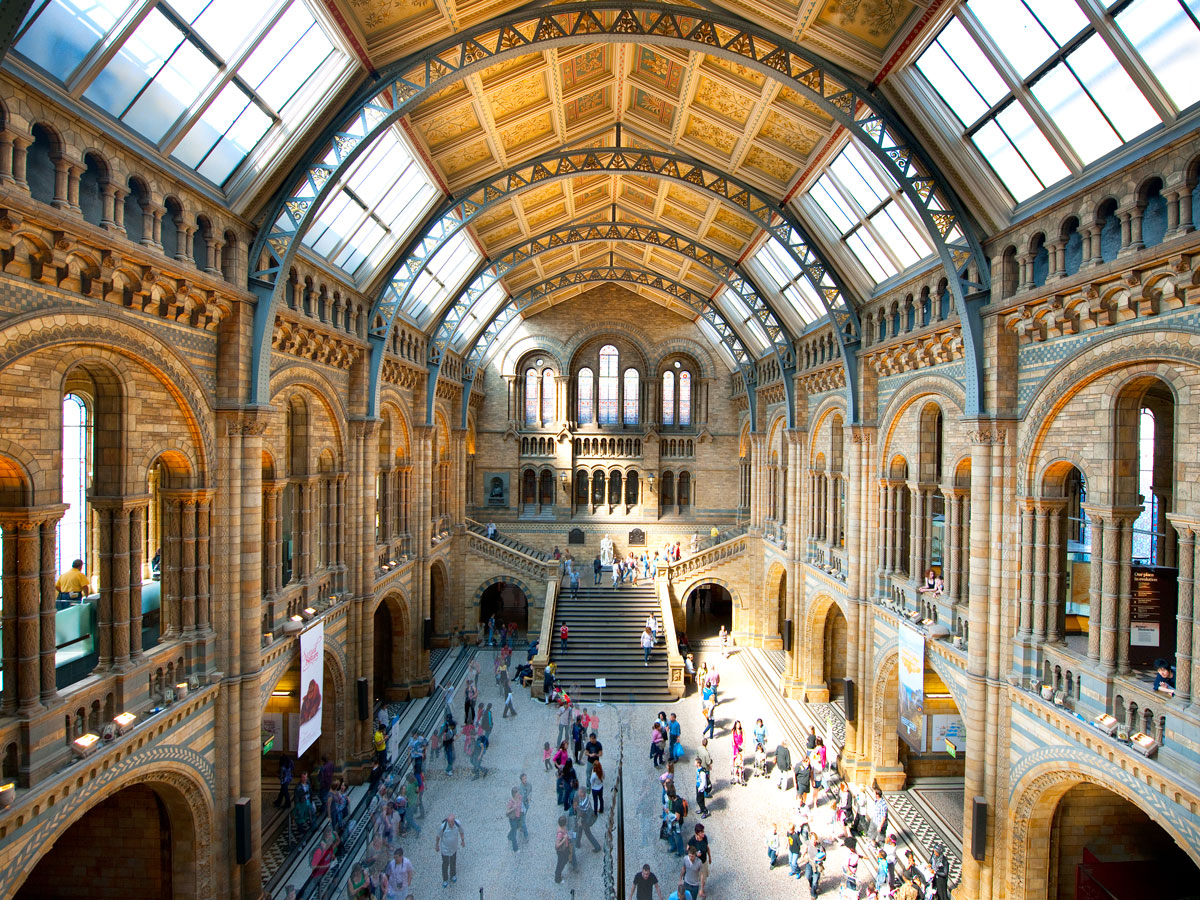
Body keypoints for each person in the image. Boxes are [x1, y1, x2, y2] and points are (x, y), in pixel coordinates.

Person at [435, 814, 465, 887]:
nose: (450, 824)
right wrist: (437, 845)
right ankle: (445, 879)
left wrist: (462, 840)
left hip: (453, 848)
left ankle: (453, 875)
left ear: (454, 821)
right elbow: (438, 836)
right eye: (449, 822)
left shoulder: (457, 824)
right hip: (445, 849)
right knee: (445, 864)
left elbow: (461, 831)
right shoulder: (443, 826)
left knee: (453, 862)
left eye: (451, 822)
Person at [804, 832, 826, 897]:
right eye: (812, 840)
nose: (813, 841)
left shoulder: (819, 847)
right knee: (808, 876)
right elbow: (805, 851)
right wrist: (804, 855)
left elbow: (824, 856)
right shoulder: (808, 843)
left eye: (814, 840)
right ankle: (811, 884)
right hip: (809, 863)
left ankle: (813, 893)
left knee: (815, 881)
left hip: (817, 865)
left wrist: (818, 859)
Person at [554, 815, 572, 883]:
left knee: (564, 861)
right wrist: (564, 839)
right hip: (561, 851)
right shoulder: (560, 833)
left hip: (565, 848)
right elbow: (557, 845)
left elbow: (566, 833)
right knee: (560, 863)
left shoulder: (563, 828)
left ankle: (558, 873)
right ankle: (557, 878)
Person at [506, 787, 524, 852]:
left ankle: (509, 836)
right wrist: (513, 808)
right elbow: (507, 812)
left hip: (518, 817)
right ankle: (515, 849)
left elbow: (521, 804)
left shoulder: (520, 797)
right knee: (514, 833)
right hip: (513, 819)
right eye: (517, 792)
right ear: (514, 794)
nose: (519, 793)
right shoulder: (511, 802)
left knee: (515, 828)